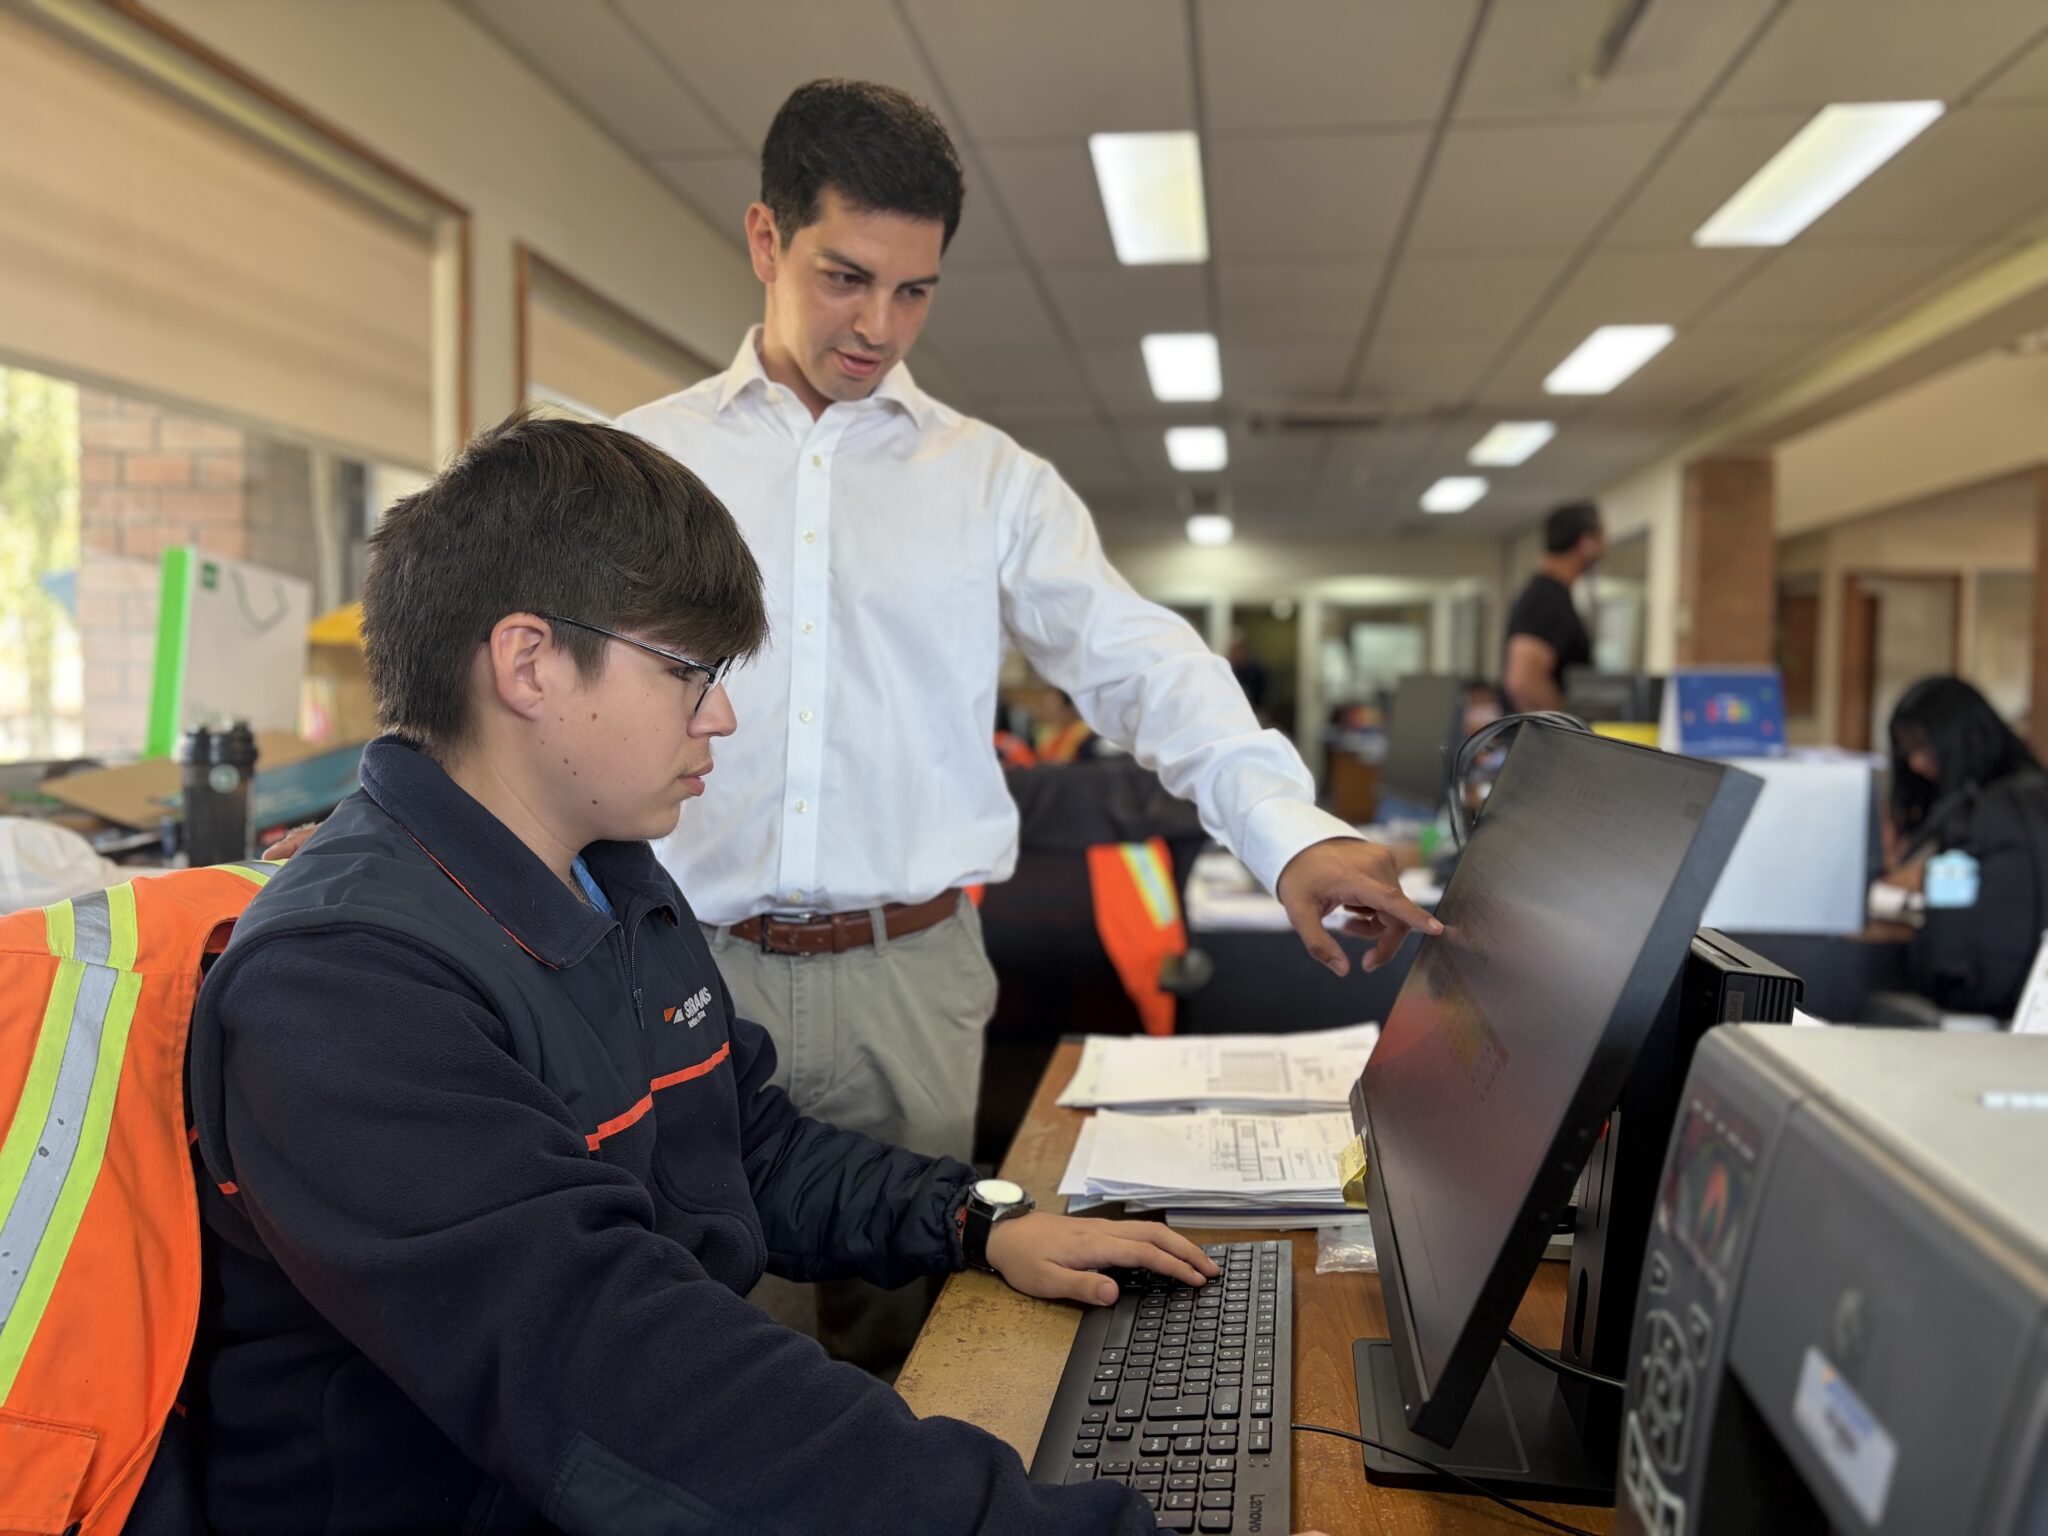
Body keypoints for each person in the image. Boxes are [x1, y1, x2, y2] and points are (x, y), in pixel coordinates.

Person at [178, 412, 1267, 1535]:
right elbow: (619, 1372)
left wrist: (979, 1220)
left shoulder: (611, 878)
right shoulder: (346, 987)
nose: (724, 716)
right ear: (529, 662)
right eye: (689, 673)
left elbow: (748, 1146)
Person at [614, 78, 1439, 1367]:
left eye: (914, 290)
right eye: (844, 277)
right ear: (765, 240)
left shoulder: (988, 479)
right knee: (713, 1355)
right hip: (682, 965)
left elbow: (1142, 666)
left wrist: (1288, 834)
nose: (878, 325)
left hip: (912, 979)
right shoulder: (641, 466)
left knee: (918, 1352)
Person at [1872, 676, 2048, 1019]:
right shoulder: (2032, 796)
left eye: (1922, 749)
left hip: (1982, 995)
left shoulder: (1980, 814)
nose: (1915, 765)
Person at [1502, 501, 1603, 714]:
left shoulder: (1552, 594)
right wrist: (1570, 731)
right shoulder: (1545, 597)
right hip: (1542, 744)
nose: (1606, 545)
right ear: (1585, 542)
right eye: (1601, 536)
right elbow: (1523, 680)